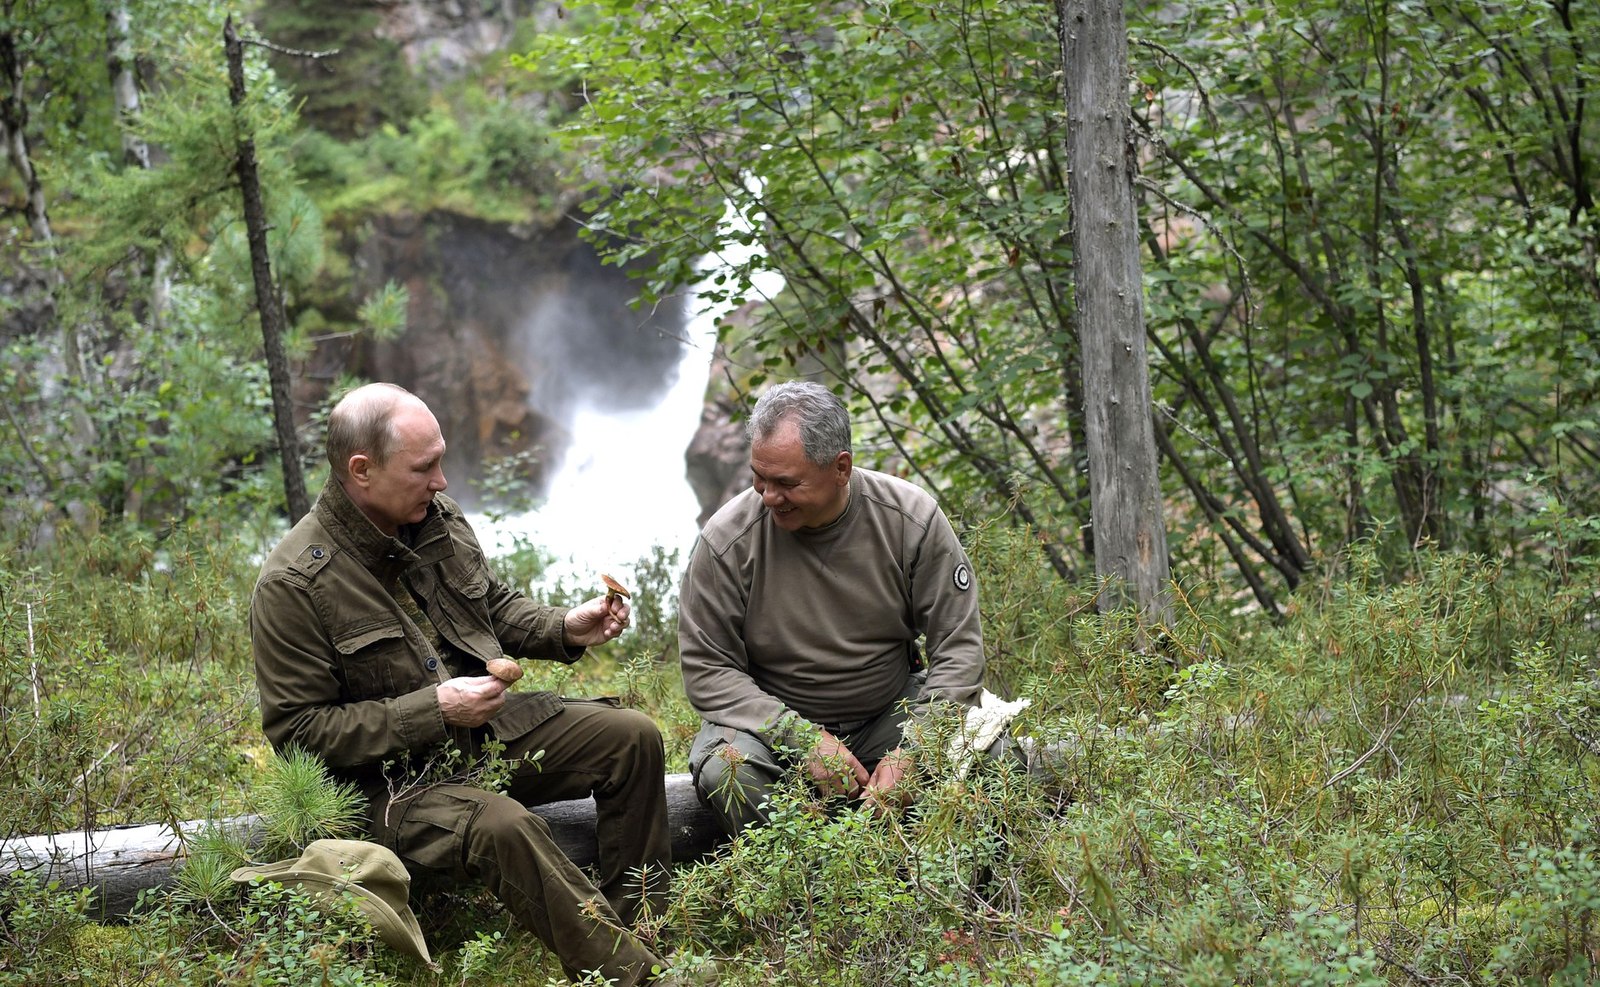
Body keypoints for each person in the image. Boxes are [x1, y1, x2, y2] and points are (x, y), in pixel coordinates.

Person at [249, 382, 671, 986]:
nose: (443, 481)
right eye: (425, 467)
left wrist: (564, 628)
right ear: (361, 471)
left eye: (441, 460)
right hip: (390, 788)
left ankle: (639, 929)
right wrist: (436, 709)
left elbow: (489, 606)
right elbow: (298, 734)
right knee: (504, 826)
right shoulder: (293, 583)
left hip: (481, 738)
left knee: (631, 737)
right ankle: (637, 979)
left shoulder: (432, 516)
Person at [678, 380, 986, 836]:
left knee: (991, 756)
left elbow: (960, 651)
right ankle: (812, 889)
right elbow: (707, 669)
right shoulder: (726, 541)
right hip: (773, 729)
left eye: (786, 483)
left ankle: (922, 882)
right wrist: (801, 739)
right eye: (758, 478)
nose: (768, 497)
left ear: (841, 468)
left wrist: (915, 750)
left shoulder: (910, 521)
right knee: (726, 772)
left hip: (888, 714)